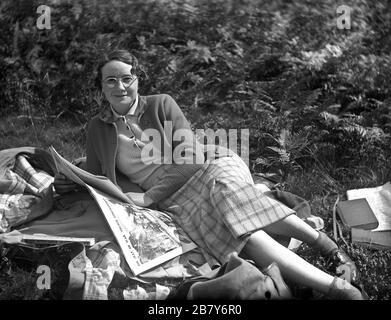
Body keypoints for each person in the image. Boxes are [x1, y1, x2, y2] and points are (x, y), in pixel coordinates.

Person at [54, 49, 365, 299]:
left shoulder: (162, 104)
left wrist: (148, 197)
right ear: (101, 87)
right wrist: (71, 179)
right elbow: (99, 176)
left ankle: (328, 248)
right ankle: (338, 289)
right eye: (111, 81)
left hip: (207, 166)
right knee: (238, 234)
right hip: (174, 200)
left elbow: (190, 158)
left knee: (230, 199)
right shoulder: (97, 127)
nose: (120, 86)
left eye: (126, 78)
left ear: (138, 80)